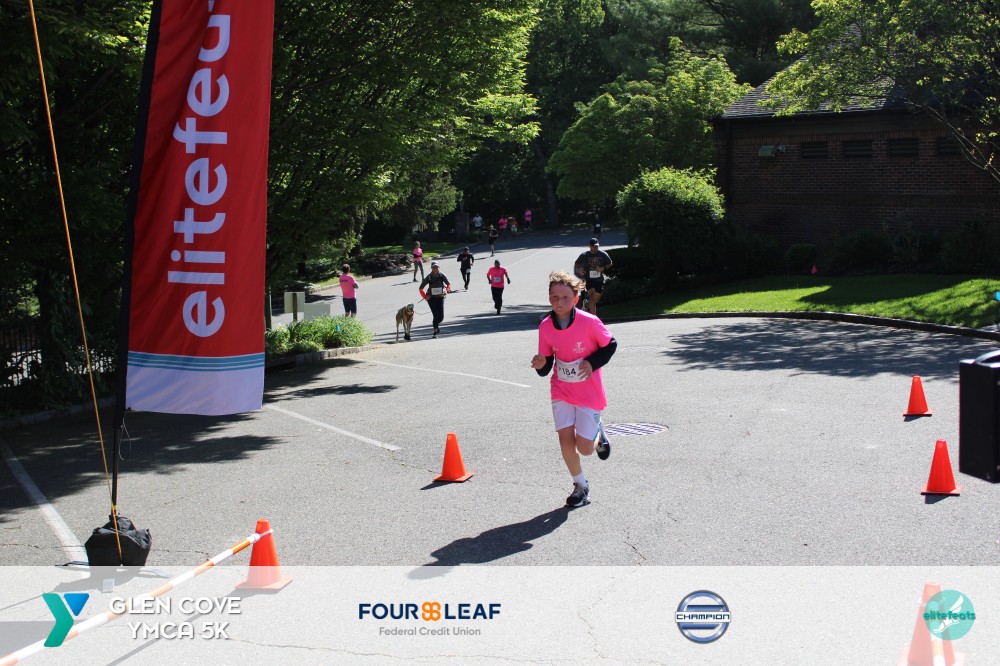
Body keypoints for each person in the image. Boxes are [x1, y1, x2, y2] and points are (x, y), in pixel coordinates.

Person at [530, 271, 616, 508]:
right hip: (561, 390)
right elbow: (546, 364)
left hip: (588, 391)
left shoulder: (590, 322)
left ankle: (599, 434)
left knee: (585, 448)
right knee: (565, 440)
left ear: (576, 299)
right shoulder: (546, 326)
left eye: (565, 297)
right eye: (554, 297)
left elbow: (610, 345)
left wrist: (592, 362)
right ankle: (580, 486)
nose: (559, 302)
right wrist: (541, 364)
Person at [573, 238, 613, 316]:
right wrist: (580, 270)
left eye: (596, 246)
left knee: (595, 300)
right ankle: (594, 318)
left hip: (599, 280)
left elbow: (610, 263)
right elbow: (577, 264)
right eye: (593, 246)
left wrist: (603, 268)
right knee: (592, 296)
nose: (595, 248)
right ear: (590, 246)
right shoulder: (584, 255)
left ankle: (586, 305)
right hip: (589, 279)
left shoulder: (603, 254)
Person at [419, 261, 451, 338]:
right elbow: (421, 288)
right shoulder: (429, 277)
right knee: (436, 315)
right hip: (431, 299)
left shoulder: (442, 275)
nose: (435, 269)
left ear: (439, 267)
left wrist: (446, 290)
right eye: (433, 267)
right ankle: (435, 331)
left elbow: (448, 284)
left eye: (436, 267)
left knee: (441, 317)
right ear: (431, 268)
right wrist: (425, 297)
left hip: (440, 297)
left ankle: (435, 324)